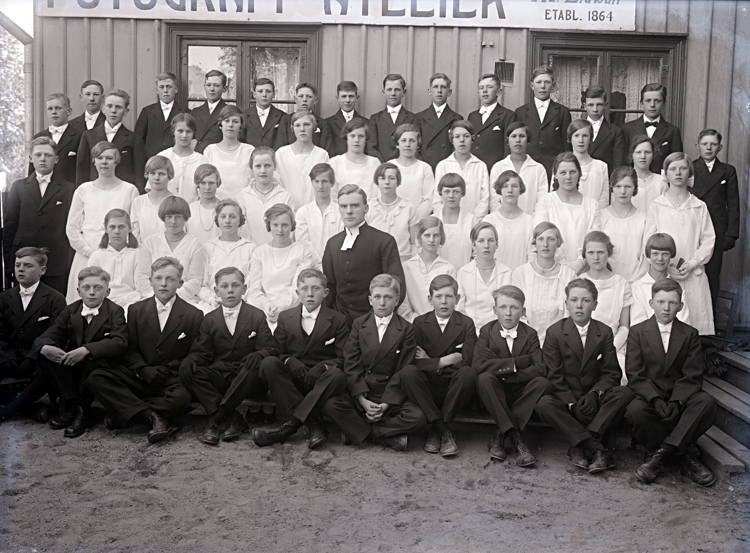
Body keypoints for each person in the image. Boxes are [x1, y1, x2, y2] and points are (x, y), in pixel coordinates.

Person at [85, 257, 203, 443]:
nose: (163, 284)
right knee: (96, 378)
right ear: (150, 281)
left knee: (181, 397)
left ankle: (127, 413)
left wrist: (171, 368)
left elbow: (195, 352)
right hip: (140, 375)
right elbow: (129, 348)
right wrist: (142, 369)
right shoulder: (135, 310)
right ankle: (153, 416)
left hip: (169, 378)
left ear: (180, 283)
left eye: (170, 279)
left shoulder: (193, 314)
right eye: (158, 278)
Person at [535, 278, 634, 474]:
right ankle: (596, 448)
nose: (579, 305)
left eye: (586, 300)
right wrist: (572, 404)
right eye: (574, 300)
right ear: (566, 304)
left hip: (593, 399)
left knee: (624, 393)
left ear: (595, 305)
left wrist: (595, 394)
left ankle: (579, 444)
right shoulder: (554, 332)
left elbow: (612, 373)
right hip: (567, 399)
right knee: (544, 404)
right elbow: (553, 376)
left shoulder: (604, 332)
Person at [625, 279, 717, 487]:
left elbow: (692, 374)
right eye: (661, 302)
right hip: (650, 398)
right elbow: (635, 373)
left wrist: (677, 401)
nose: (666, 308)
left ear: (680, 306)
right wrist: (655, 399)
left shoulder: (690, 334)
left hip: (679, 398)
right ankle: (684, 456)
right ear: (651, 303)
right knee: (634, 410)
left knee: (706, 402)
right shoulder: (637, 332)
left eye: (672, 303)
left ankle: (660, 455)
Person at [322, 274, 428, 450]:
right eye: (377, 297)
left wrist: (385, 404)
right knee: (331, 405)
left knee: (418, 418)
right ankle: (385, 438)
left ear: (397, 300)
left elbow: (403, 369)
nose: (382, 303)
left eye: (388, 297)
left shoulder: (406, 329)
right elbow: (351, 363)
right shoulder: (359, 324)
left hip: (389, 393)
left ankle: (360, 432)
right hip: (364, 391)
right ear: (370, 300)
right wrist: (362, 400)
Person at [252, 268, 350, 449]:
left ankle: (290, 426)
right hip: (294, 381)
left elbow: (344, 357)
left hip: (321, 382)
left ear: (325, 292)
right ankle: (313, 423)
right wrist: (289, 360)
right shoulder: (285, 317)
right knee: (268, 364)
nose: (310, 294)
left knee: (336, 375)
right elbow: (277, 351)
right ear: (297, 292)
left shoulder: (338, 319)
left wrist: (323, 366)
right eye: (305, 289)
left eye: (316, 288)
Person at [179, 267, 278, 445]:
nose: (230, 290)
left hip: (247, 378)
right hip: (221, 377)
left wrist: (260, 354)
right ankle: (234, 417)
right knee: (190, 372)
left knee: (253, 367)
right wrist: (191, 359)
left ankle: (216, 419)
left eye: (235, 285)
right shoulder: (209, 319)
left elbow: (270, 348)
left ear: (244, 289)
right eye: (224, 286)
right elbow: (203, 352)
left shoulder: (256, 315)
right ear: (216, 291)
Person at [33, 266, 128, 438]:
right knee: (45, 355)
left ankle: (80, 412)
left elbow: (119, 342)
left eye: (98, 288)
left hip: (100, 366)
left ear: (107, 291)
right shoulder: (71, 310)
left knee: (94, 363)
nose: (91, 292)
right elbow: (49, 335)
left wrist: (86, 350)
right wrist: (45, 347)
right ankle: (77, 405)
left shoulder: (115, 311)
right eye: (86, 288)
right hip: (74, 366)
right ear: (78, 291)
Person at [397, 275, 476, 457]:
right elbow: (414, 361)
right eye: (438, 296)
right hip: (428, 386)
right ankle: (443, 430)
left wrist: (430, 361)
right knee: (408, 373)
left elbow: (467, 360)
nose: (443, 302)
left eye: (449, 296)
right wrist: (443, 361)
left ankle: (437, 428)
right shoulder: (419, 323)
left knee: (468, 373)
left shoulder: (466, 323)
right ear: (430, 299)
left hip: (453, 387)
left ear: (457, 298)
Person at [473, 285, 551, 466]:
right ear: (495, 310)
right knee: (484, 378)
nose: (508, 313)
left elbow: (540, 369)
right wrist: (514, 364)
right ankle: (517, 439)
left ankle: (500, 435)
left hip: (520, 392)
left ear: (523, 311)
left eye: (514, 308)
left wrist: (506, 372)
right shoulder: (486, 331)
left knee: (543, 383)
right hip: (494, 392)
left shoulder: (530, 334)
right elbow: (477, 366)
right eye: (503, 307)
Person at [647, 153, 715, 335]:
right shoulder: (657, 205)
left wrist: (692, 263)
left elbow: (708, 240)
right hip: (666, 273)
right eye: (673, 169)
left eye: (683, 168)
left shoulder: (698, 206)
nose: (678, 173)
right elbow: (650, 240)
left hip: (692, 273)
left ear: (689, 173)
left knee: (693, 327)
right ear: (666, 173)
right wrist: (665, 265)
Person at [66, 141, 140, 302]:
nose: (104, 162)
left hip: (119, 258)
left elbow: (134, 227)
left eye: (109, 158)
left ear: (116, 161)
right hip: (86, 256)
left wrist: (120, 253)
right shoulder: (83, 190)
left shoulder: (129, 190)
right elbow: (72, 228)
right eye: (100, 158)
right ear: (94, 161)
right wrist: (91, 253)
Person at [322, 184, 405, 324]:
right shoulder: (332, 244)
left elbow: (396, 285)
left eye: (354, 206)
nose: (349, 211)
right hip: (341, 324)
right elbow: (329, 288)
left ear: (366, 208)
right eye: (343, 206)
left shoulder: (384, 241)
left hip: (376, 322)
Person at [0, 248, 66, 423]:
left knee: (50, 371)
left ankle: (9, 410)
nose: (21, 269)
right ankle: (29, 409)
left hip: (37, 358)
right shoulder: (4, 298)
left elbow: (56, 334)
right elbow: (0, 335)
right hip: (10, 356)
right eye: (18, 265)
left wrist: (32, 357)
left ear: (42, 270)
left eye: (28, 266)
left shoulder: (55, 298)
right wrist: (6, 357)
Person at [4, 136, 76, 294]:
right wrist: (10, 265)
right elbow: (9, 228)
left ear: (56, 159)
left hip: (56, 261)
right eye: (38, 155)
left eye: (48, 155)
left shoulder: (68, 188)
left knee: (54, 302)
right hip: (24, 260)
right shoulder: (18, 187)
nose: (43, 159)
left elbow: (72, 227)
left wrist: (68, 264)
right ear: (31, 158)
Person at [691, 129, 740, 308]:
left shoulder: (728, 171)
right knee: (691, 270)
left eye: (713, 144)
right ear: (697, 146)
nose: (708, 148)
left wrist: (731, 234)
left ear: (720, 147)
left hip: (716, 229)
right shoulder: (689, 167)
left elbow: (733, 204)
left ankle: (710, 318)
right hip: (692, 226)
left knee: (712, 274)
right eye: (704, 144)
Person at [247, 204, 315, 328]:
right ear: (269, 226)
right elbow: (254, 290)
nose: (280, 230)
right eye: (275, 225)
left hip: (293, 310)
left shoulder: (302, 251)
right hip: (264, 311)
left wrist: (280, 307)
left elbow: (299, 288)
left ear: (292, 225)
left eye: (285, 225)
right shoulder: (259, 252)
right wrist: (267, 306)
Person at [135, 196, 208, 311]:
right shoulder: (150, 242)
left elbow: (195, 279)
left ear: (185, 218)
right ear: (163, 218)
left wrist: (175, 297)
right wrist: (155, 297)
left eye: (178, 217)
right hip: (152, 298)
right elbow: (142, 276)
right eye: (169, 217)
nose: (173, 222)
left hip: (184, 299)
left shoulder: (194, 244)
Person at [511, 222, 577, 346]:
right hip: (526, 342)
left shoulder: (568, 275)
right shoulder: (520, 273)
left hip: (560, 343)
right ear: (534, 242)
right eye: (541, 239)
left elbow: (571, 313)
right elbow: (515, 309)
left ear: (558, 242)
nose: (545, 244)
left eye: (551, 239)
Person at [582, 231, 633, 380]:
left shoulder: (621, 284)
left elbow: (624, 326)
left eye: (600, 252)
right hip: (583, 347)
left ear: (608, 253)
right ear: (585, 255)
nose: (596, 257)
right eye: (591, 253)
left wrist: (608, 351)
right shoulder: (579, 282)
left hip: (613, 347)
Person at [533, 152, 601, 264]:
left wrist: (580, 263)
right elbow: (541, 235)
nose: (568, 177)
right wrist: (562, 265)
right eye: (563, 173)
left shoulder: (592, 205)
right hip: (553, 266)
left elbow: (594, 239)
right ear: (555, 175)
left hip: (584, 266)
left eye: (572, 172)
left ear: (579, 173)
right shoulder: (545, 201)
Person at [76, 90, 147, 192]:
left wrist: (138, 196)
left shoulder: (134, 139)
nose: (113, 111)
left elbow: (139, 174)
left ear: (126, 111)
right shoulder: (88, 136)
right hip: (95, 191)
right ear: (103, 109)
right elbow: (82, 170)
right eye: (109, 106)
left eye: (118, 107)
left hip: (122, 192)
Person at [198, 199, 256, 311]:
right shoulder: (208, 247)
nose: (227, 221)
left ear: (240, 220)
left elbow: (251, 281)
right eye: (223, 216)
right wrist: (212, 299)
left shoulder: (250, 247)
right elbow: (202, 283)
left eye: (232, 216)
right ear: (217, 220)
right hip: (212, 303)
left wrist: (238, 299)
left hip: (242, 302)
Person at [515, 66, 572, 177]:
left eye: (547, 82)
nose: (542, 86)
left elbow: (566, 146)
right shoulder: (521, 112)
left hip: (553, 169)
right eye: (538, 82)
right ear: (532, 86)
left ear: (553, 86)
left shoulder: (562, 112)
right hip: (527, 168)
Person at [456, 222, 512, 331]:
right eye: (481, 241)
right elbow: (459, 310)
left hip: (499, 333)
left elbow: (509, 308)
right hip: (470, 333)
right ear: (474, 245)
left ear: (497, 244)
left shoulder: (506, 273)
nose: (486, 246)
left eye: (490, 240)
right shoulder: (463, 273)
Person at [399, 217, 457, 322]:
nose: (431, 240)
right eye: (427, 235)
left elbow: (451, 303)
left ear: (441, 237)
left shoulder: (448, 269)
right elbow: (404, 305)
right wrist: (416, 321)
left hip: (441, 324)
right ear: (419, 237)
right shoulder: (407, 267)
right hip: (412, 324)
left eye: (436, 235)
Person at [433, 120, 490, 220]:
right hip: (447, 221)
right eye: (457, 136)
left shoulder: (480, 166)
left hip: (474, 221)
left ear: (472, 139)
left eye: (466, 136)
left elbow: (485, 198)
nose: (462, 140)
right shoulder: (443, 165)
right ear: (452, 140)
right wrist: (445, 220)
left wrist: (474, 221)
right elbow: (437, 198)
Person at [600, 166, 649, 282]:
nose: (622, 191)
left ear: (635, 188)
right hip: (606, 281)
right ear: (612, 187)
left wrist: (635, 282)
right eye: (618, 186)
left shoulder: (644, 219)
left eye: (627, 186)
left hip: (636, 282)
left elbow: (646, 257)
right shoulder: (601, 216)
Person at [237, 147, 294, 246]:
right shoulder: (242, 196)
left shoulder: (285, 196)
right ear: (252, 168)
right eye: (258, 166)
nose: (263, 170)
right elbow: (240, 229)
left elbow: (290, 229)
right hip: (249, 251)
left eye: (267, 165)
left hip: (278, 250)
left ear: (274, 167)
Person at [86, 209, 142, 310]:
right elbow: (92, 286)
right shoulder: (97, 256)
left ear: (129, 228)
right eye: (112, 227)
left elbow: (141, 288)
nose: (117, 232)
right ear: (106, 229)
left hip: (132, 302)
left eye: (121, 227)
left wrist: (124, 300)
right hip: (102, 303)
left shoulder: (138, 255)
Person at [622, 83, 683, 174]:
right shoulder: (627, 129)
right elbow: (623, 161)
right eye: (648, 100)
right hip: (634, 179)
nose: (652, 105)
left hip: (661, 180)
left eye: (657, 101)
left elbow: (676, 162)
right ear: (641, 103)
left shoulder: (672, 131)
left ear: (664, 104)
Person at [489, 122, 548, 215]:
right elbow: (494, 201)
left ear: (528, 140)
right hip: (503, 221)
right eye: (513, 136)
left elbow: (542, 202)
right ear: (507, 140)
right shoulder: (498, 167)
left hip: (530, 220)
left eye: (522, 136)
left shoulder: (538, 169)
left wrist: (532, 220)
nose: (518, 140)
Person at [631, 233, 690, 326]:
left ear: (671, 256)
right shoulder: (636, 288)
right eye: (655, 254)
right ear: (649, 255)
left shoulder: (679, 289)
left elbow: (684, 323)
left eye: (665, 254)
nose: (660, 258)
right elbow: (637, 324)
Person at [275, 111, 330, 210]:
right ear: (292, 128)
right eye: (297, 125)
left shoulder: (322, 154)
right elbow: (277, 184)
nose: (302, 129)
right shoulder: (281, 154)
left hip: (315, 211)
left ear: (314, 127)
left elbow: (326, 185)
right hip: (287, 211)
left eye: (307, 124)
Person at [366, 163, 419, 261]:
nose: (387, 182)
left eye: (392, 178)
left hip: (402, 261)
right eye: (382, 178)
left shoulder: (409, 207)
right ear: (377, 181)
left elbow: (414, 243)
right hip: (374, 260)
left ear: (398, 182)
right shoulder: (369, 208)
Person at [483, 170, 533, 270]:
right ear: (500, 190)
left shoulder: (530, 221)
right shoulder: (489, 221)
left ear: (520, 189)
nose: (510, 190)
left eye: (514, 186)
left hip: (521, 277)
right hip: (495, 276)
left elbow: (532, 255)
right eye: (505, 186)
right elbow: (482, 254)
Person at [467, 73, 517, 172]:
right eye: (481, 88)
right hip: (474, 169)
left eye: (489, 87)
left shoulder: (508, 115)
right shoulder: (472, 116)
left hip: (495, 170)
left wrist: (503, 170)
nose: (484, 91)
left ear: (498, 92)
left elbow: (508, 147)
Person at [202, 105, 254, 198]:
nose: (230, 125)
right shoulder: (210, 150)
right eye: (227, 121)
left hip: (243, 202)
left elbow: (253, 181)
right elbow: (204, 180)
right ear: (220, 124)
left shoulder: (249, 150)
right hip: (216, 202)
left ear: (241, 126)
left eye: (235, 121)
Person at [414, 73, 463, 171]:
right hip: (425, 167)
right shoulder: (419, 117)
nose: (439, 91)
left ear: (449, 92)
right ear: (429, 91)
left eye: (443, 87)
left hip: (447, 168)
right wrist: (422, 166)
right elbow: (415, 145)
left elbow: (457, 148)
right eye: (435, 87)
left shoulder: (457, 118)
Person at [295, 163, 343, 263]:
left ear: (332, 183)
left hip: (336, 263)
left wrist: (329, 264)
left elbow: (342, 241)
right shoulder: (303, 212)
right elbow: (303, 243)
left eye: (324, 181)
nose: (320, 186)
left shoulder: (340, 211)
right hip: (311, 266)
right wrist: (319, 265)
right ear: (312, 183)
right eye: (316, 181)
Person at [29, 93, 80, 184]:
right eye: (50, 109)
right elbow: (32, 170)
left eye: (58, 108)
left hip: (69, 188)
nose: (54, 112)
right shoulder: (38, 137)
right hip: (44, 187)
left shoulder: (80, 136)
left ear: (68, 111)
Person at [135, 71, 186, 159]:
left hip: (177, 160)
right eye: (161, 87)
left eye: (169, 87)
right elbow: (138, 140)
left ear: (176, 89)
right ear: (157, 90)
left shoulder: (185, 112)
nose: (165, 90)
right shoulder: (147, 112)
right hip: (152, 160)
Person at [328, 118, 382, 200]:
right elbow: (332, 194)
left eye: (361, 136)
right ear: (346, 137)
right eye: (352, 136)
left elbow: (378, 194)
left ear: (366, 138)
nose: (356, 140)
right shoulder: (335, 163)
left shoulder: (375, 163)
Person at [158, 113, 206, 203]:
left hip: (192, 209)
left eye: (188, 131)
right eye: (180, 131)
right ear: (173, 131)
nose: (184, 135)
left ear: (193, 133)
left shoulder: (201, 160)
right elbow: (153, 190)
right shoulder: (163, 157)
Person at [367, 73, 416, 161]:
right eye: (389, 89)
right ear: (384, 92)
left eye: (397, 90)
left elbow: (414, 146)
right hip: (381, 165)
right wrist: (384, 165)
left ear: (403, 92)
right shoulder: (375, 119)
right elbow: (371, 147)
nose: (393, 93)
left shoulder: (412, 118)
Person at [433, 174, 477, 271]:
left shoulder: (471, 221)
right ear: (440, 193)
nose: (451, 196)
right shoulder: (433, 220)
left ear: (462, 193)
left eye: (456, 191)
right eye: (447, 191)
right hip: (437, 275)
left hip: (465, 274)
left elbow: (477, 253)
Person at [391, 123, 435, 219]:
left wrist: (414, 220)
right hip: (393, 219)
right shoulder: (389, 167)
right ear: (397, 144)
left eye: (412, 141)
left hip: (417, 220)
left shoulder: (425, 168)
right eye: (403, 140)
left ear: (418, 145)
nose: (407, 145)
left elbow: (428, 200)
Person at [130, 155, 175, 242]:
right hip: (144, 249)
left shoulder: (176, 202)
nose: (156, 178)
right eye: (152, 173)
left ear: (169, 176)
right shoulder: (138, 202)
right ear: (147, 175)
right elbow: (135, 233)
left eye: (161, 174)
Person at [583, 85, 626, 174]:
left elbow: (617, 165)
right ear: (584, 106)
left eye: (599, 105)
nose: (595, 109)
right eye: (590, 105)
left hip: (604, 178)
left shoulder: (615, 132)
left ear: (605, 105)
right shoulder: (576, 129)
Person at [568, 119, 609, 209]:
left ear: (590, 139)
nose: (581, 140)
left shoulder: (601, 166)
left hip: (594, 215)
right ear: (570, 138)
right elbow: (555, 197)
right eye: (576, 135)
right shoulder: (562, 165)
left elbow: (604, 200)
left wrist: (590, 213)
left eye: (585, 136)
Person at [279, 83, 333, 152]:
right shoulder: (286, 120)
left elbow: (326, 151)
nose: (304, 100)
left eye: (309, 97)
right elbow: (281, 147)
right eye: (301, 96)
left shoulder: (323, 124)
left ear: (315, 100)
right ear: (296, 99)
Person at [324, 81, 369, 157]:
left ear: (357, 98)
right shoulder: (328, 123)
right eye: (343, 96)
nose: (347, 100)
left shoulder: (366, 123)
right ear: (337, 98)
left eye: (351, 96)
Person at [243, 77, 289, 149]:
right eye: (260, 91)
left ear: (274, 94)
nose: (264, 95)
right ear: (254, 94)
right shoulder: (244, 116)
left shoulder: (283, 116)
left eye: (268, 91)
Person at [191, 69, 229, 154]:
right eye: (208, 85)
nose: (212, 89)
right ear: (204, 87)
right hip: (198, 156)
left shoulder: (228, 113)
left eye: (216, 85)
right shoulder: (195, 113)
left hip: (218, 156)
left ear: (224, 89)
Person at [629, 135, 666, 214]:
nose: (643, 156)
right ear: (632, 154)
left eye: (647, 152)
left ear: (653, 155)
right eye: (638, 152)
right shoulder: (623, 181)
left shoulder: (661, 182)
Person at [188, 163, 222, 245]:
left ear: (217, 184)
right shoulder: (190, 209)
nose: (207, 187)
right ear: (198, 184)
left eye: (211, 183)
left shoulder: (224, 208)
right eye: (203, 183)